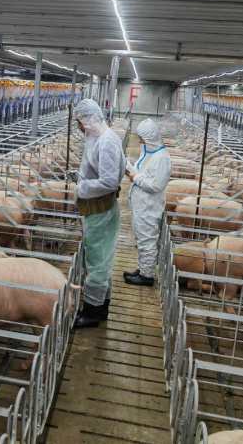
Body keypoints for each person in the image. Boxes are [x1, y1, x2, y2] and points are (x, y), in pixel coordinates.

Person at [72, 99, 126, 328]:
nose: (79, 126)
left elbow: (109, 181)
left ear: (89, 118)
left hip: (100, 209)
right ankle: (100, 305)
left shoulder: (107, 142)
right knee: (99, 259)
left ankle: (92, 312)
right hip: (97, 207)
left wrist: (80, 188)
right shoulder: (98, 138)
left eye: (80, 121)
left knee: (97, 262)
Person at [123, 118, 171, 287]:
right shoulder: (152, 154)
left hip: (149, 208)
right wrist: (130, 168)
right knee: (142, 239)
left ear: (150, 138)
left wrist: (135, 177)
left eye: (142, 139)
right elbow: (144, 174)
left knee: (147, 240)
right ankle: (143, 269)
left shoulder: (162, 158)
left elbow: (156, 185)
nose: (140, 142)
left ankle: (147, 276)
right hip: (142, 206)